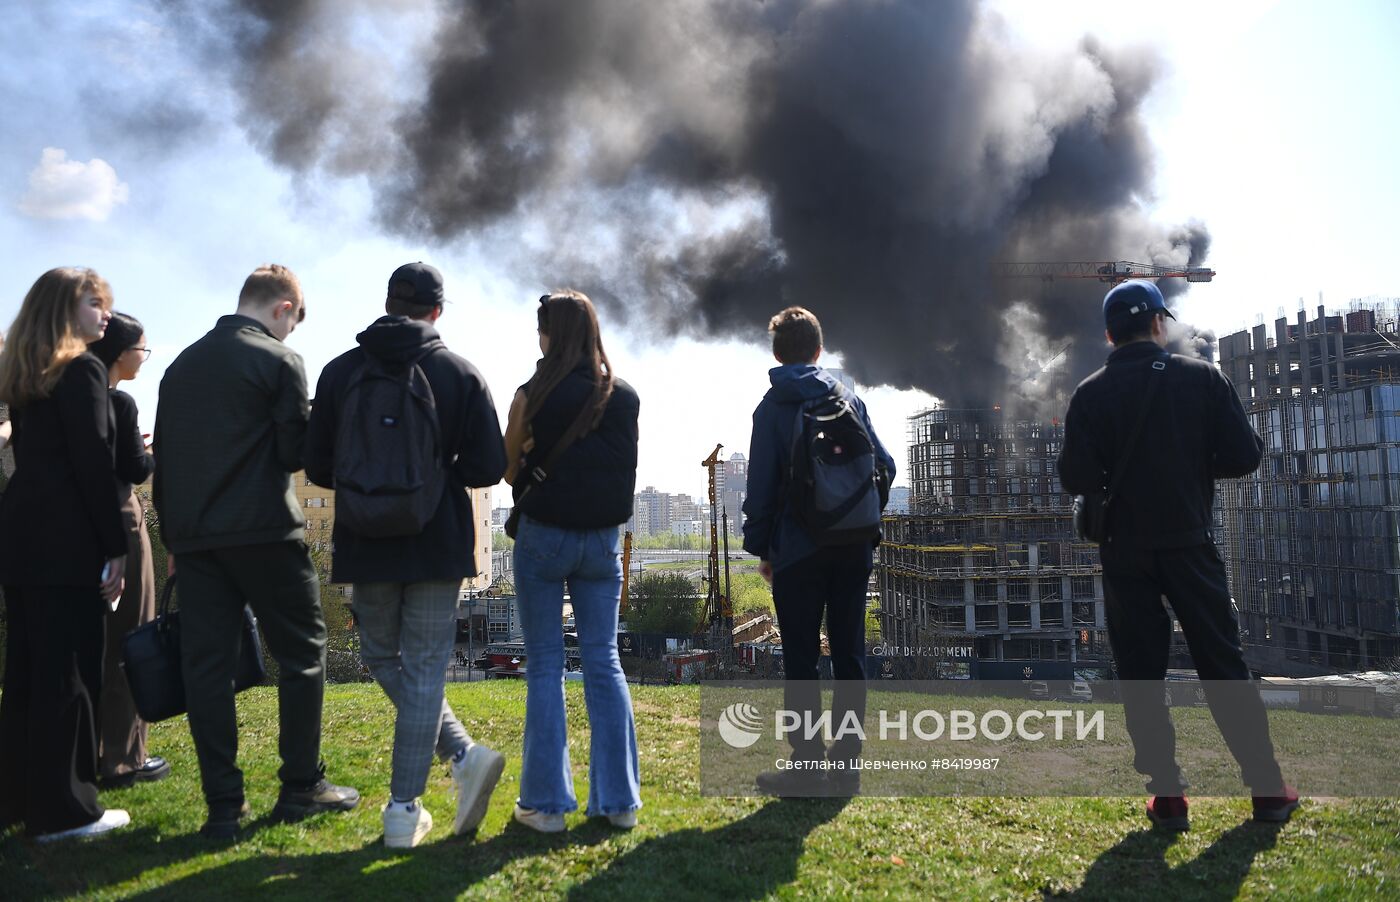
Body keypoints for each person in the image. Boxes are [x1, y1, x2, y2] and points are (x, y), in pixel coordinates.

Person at [1057, 279, 1299, 830]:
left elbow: (1074, 476)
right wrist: (1189, 465)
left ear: (1108, 334)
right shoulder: (1201, 378)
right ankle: (1266, 791)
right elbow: (1243, 456)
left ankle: (1167, 798)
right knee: (1223, 665)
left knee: (1141, 674)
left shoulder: (1090, 393)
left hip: (1124, 550)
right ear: (1160, 324)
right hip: (1189, 542)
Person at [305, 262, 508, 848]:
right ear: (438, 311)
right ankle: (413, 800)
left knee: (381, 656)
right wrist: (436, 474)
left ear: (389, 303)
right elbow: (490, 467)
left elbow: (318, 465)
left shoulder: (341, 371)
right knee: (423, 667)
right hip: (435, 540)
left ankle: (437, 781)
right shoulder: (459, 372)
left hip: (366, 538)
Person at [153, 264, 358, 839]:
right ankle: (300, 788)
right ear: (285, 309)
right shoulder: (279, 360)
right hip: (265, 532)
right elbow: (294, 452)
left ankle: (224, 806)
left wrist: (175, 539)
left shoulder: (180, 365)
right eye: (293, 323)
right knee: (301, 654)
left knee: (207, 669)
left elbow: (164, 460)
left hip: (195, 539)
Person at [742, 306, 895, 797]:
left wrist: (764, 549)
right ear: (819, 350)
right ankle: (846, 769)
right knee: (850, 654)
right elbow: (885, 466)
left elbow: (760, 489)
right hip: (853, 548)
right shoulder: (848, 397)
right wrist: (859, 520)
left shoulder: (772, 407)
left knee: (802, 658)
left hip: (798, 551)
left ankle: (806, 767)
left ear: (776, 353)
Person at [503, 290, 641, 832]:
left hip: (544, 539)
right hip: (602, 545)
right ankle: (619, 803)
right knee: (604, 662)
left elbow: (508, 471)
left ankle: (545, 807)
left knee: (545, 665)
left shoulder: (531, 392)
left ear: (549, 335)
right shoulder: (624, 395)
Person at [0, 268, 130, 840]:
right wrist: (116, 547)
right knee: (71, 674)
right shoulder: (83, 371)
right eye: (95, 303)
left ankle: (20, 800)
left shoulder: (26, 378)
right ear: (65, 308)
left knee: (27, 673)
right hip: (68, 543)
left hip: (21, 539)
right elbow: (95, 467)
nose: (105, 314)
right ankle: (66, 811)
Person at [88, 312, 170, 787]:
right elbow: (136, 470)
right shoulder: (120, 402)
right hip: (120, 520)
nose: (144, 358)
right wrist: (156, 452)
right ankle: (123, 757)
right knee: (132, 634)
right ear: (122, 353)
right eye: (142, 350)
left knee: (95, 644)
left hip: (80, 528)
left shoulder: (78, 396)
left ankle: (91, 748)